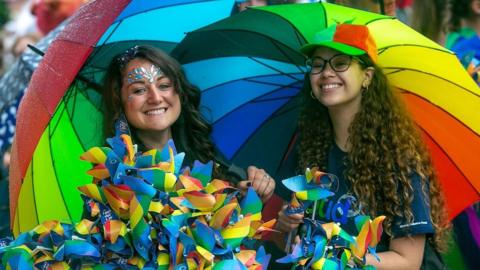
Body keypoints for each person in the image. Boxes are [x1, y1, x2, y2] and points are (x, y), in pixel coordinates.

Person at [274, 23, 449, 268]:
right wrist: (287, 228)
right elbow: (291, 244)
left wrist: (338, 261)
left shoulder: (397, 158)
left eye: (340, 62)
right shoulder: (307, 149)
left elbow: (408, 262)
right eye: (317, 64)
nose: (326, 72)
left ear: (367, 77)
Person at [102, 45, 275, 202]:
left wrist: (253, 191)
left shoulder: (204, 154)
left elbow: (236, 220)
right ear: (119, 101)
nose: (155, 98)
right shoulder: (115, 179)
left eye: (164, 85)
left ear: (179, 92)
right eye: (139, 90)